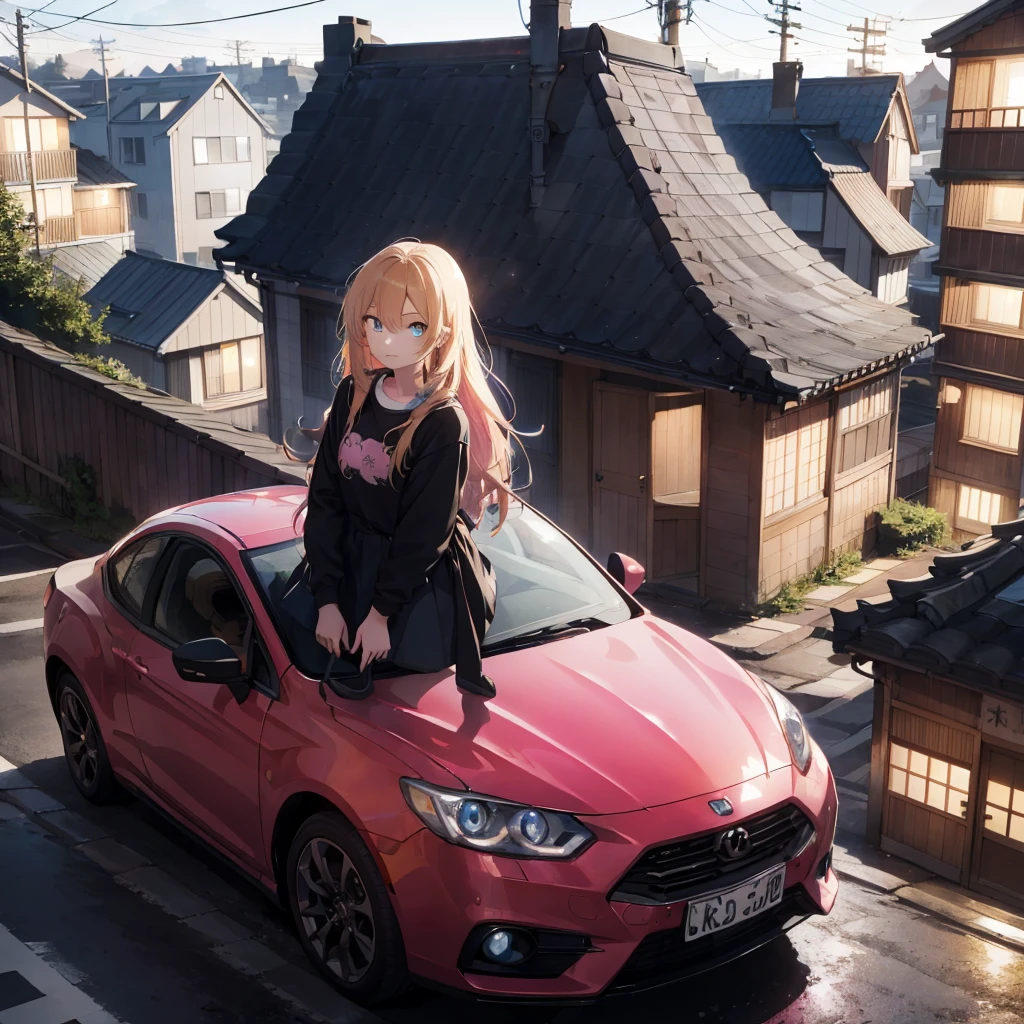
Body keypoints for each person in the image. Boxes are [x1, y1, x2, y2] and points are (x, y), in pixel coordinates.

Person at [299, 241, 515, 700]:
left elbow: (424, 532)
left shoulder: (443, 421)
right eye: (375, 322)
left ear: (441, 332)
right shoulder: (352, 395)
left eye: (413, 325)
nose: (388, 339)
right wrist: (327, 599)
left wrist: (380, 615)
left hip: (415, 587)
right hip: (347, 569)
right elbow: (325, 499)